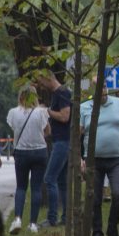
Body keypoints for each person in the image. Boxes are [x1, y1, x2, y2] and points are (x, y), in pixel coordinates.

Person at [80, 87, 119, 236]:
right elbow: (78, 134)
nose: (102, 91)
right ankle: (97, 233)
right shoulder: (85, 107)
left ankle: (112, 228)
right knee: (95, 198)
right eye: (99, 88)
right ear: (92, 90)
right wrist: (79, 159)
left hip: (116, 159)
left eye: (104, 87)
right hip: (93, 160)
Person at [7, 86, 50, 234]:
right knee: (36, 188)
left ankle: (18, 218)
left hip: (21, 153)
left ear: (20, 97)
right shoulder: (42, 112)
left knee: (21, 187)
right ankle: (32, 224)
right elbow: (48, 131)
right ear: (35, 97)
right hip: (39, 152)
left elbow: (15, 129)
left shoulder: (13, 113)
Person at [36, 71, 71, 227]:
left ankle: (52, 218)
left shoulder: (62, 92)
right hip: (61, 141)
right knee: (62, 182)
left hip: (63, 143)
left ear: (49, 78)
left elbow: (65, 116)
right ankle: (66, 218)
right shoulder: (57, 94)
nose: (42, 86)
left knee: (49, 178)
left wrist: (46, 111)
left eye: (42, 82)